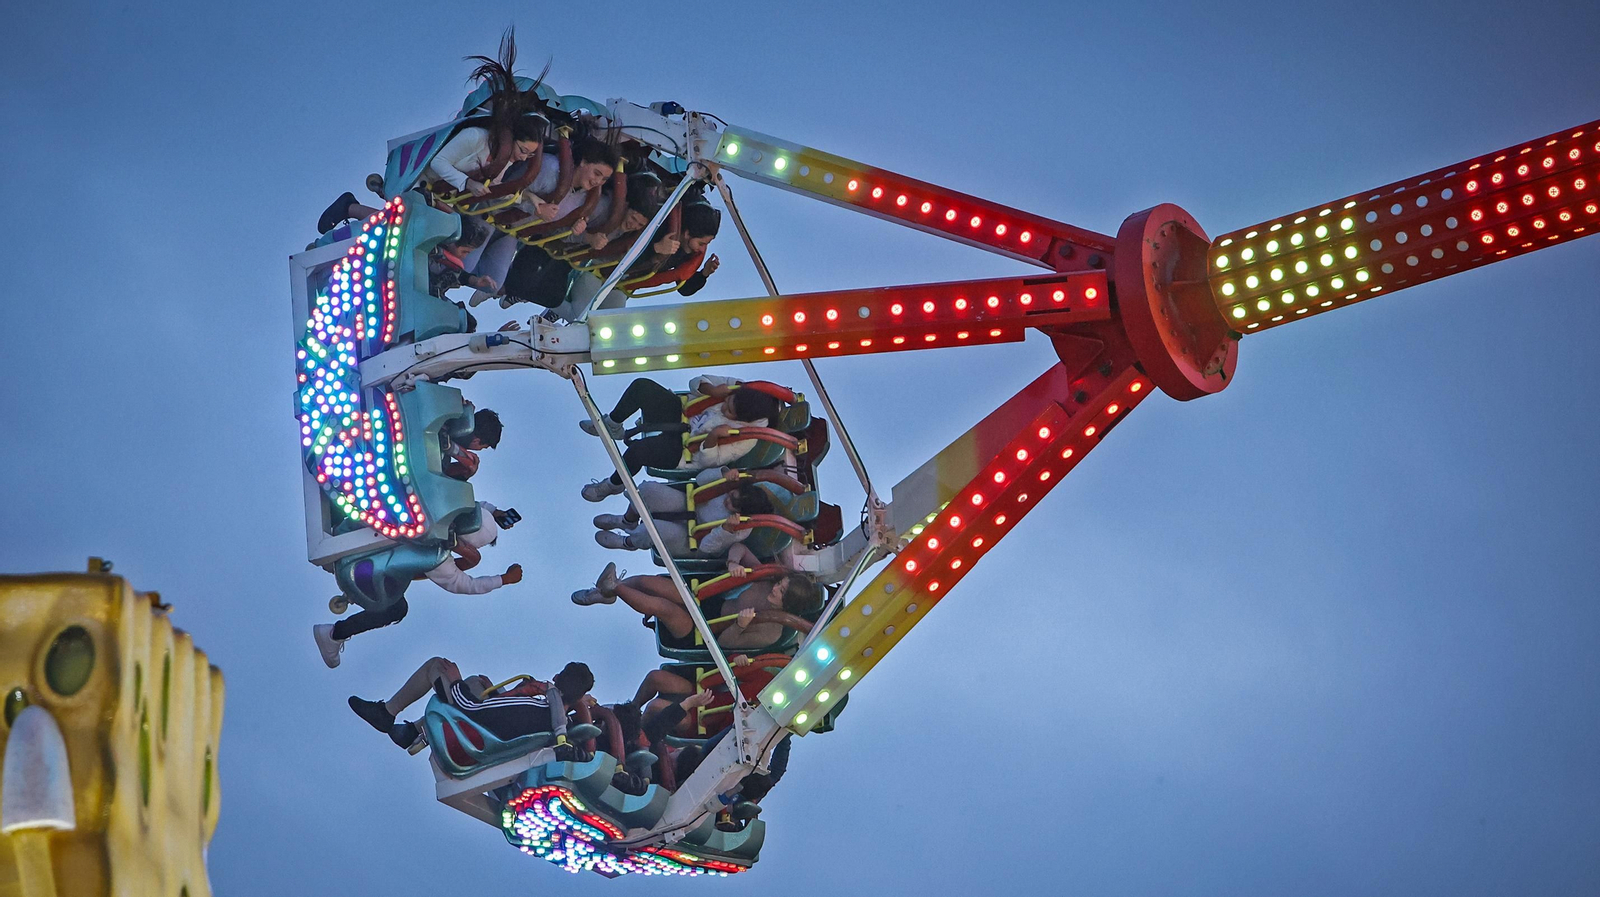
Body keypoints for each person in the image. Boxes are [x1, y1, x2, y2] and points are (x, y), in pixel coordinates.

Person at [312, 503, 524, 667]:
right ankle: (335, 633)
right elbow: (468, 585)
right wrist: (503, 579)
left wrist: (492, 511)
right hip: (358, 571)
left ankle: (328, 493)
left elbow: (471, 504)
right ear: (469, 545)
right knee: (397, 609)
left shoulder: (434, 502)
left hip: (346, 532)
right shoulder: (436, 558)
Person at [466, 135, 623, 308]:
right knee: (464, 266)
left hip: (510, 233)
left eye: (604, 179)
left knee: (491, 284)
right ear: (583, 162)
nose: (597, 181)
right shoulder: (549, 169)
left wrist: (582, 235)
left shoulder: (584, 200)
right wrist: (533, 207)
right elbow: (498, 194)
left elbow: (555, 231)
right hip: (486, 215)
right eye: (597, 173)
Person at [577, 375, 781, 502]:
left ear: (743, 419)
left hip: (684, 451)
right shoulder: (738, 388)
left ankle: (613, 484)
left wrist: (713, 437)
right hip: (682, 414)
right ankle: (613, 424)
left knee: (638, 451)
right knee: (642, 386)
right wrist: (711, 390)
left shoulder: (746, 438)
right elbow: (696, 382)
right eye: (727, 401)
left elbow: (708, 462)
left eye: (729, 411)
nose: (723, 407)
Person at [347, 657, 594, 760]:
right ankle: (414, 731)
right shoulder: (554, 722)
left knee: (438, 666)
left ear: (556, 678)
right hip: (491, 735)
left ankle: (386, 713)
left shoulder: (534, 706)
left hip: (471, 731)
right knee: (476, 683)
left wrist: (455, 681)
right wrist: (502, 694)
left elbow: (471, 710)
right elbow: (502, 713)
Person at [571, 563, 821, 651]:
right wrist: (734, 562)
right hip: (710, 600)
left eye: (781, 592)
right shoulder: (767, 582)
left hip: (703, 632)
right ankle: (605, 592)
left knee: (664, 608)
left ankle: (613, 587)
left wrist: (740, 625)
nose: (775, 588)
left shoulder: (772, 632)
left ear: (789, 604)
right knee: (650, 583)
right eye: (780, 584)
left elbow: (726, 644)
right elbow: (742, 550)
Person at [592, 467, 775, 558]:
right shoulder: (729, 486)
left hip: (692, 539)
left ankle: (627, 542)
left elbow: (707, 548)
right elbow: (701, 480)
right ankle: (627, 521)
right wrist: (721, 474)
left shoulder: (741, 528)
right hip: (691, 505)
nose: (727, 501)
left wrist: (725, 531)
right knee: (647, 490)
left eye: (733, 505)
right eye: (731, 495)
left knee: (650, 530)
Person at [626, 202, 722, 297]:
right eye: (701, 244)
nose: (701, 249)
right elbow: (624, 254)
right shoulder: (661, 227)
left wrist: (704, 273)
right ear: (687, 234)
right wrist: (656, 248)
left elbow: (684, 289)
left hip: (626, 281)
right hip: (620, 268)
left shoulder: (686, 252)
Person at [444, 408, 502, 480]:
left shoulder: (447, 415)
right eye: (482, 447)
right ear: (476, 441)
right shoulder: (446, 428)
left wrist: (463, 474)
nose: (479, 449)